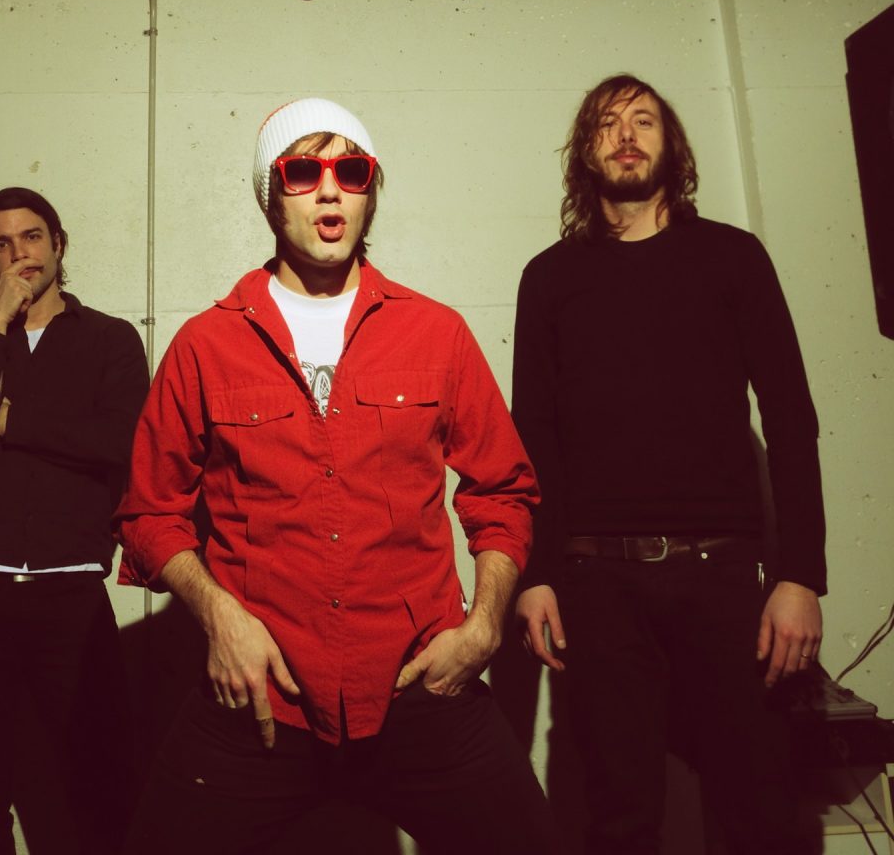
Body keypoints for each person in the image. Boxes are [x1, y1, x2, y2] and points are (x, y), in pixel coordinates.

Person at [116, 97, 558, 854]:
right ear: (272, 196)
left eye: (350, 171)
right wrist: (221, 620)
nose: (329, 190)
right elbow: (149, 512)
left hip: (419, 679)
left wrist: (483, 625)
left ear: (368, 193)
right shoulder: (206, 345)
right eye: (303, 172)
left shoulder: (435, 333)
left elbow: (503, 490)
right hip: (263, 691)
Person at [512, 73, 825, 855]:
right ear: (586, 152)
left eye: (644, 120)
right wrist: (537, 574)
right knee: (620, 820)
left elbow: (791, 419)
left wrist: (800, 578)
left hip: (724, 579)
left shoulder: (733, 257)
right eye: (608, 123)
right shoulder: (549, 278)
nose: (627, 135)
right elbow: (534, 438)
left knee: (759, 812)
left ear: (672, 146)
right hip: (598, 586)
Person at [0, 186, 149, 855]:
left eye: (31, 236)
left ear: (58, 244)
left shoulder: (109, 339)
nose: (19, 253)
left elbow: (122, 443)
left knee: (102, 788)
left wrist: (11, 422)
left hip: (70, 587)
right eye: (0, 244)